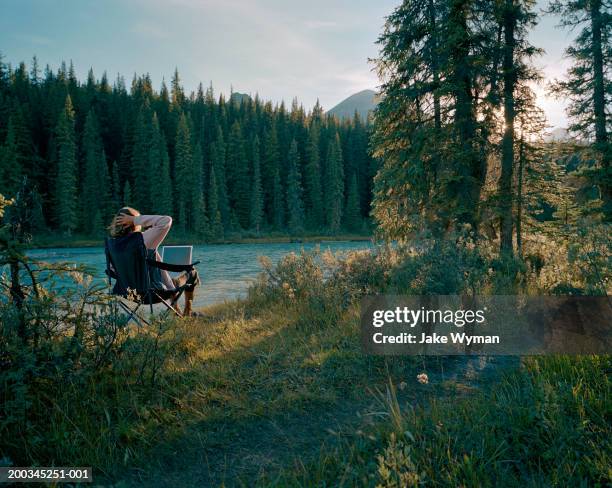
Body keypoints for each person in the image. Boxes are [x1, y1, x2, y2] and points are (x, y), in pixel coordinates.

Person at [109, 207, 200, 316]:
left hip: (128, 293)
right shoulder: (141, 240)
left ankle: (177, 311)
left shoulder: (114, 245)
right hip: (152, 292)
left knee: (170, 280)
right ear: (129, 222)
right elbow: (166, 221)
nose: (139, 222)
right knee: (192, 272)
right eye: (136, 219)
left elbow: (112, 270)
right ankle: (188, 313)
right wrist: (135, 219)